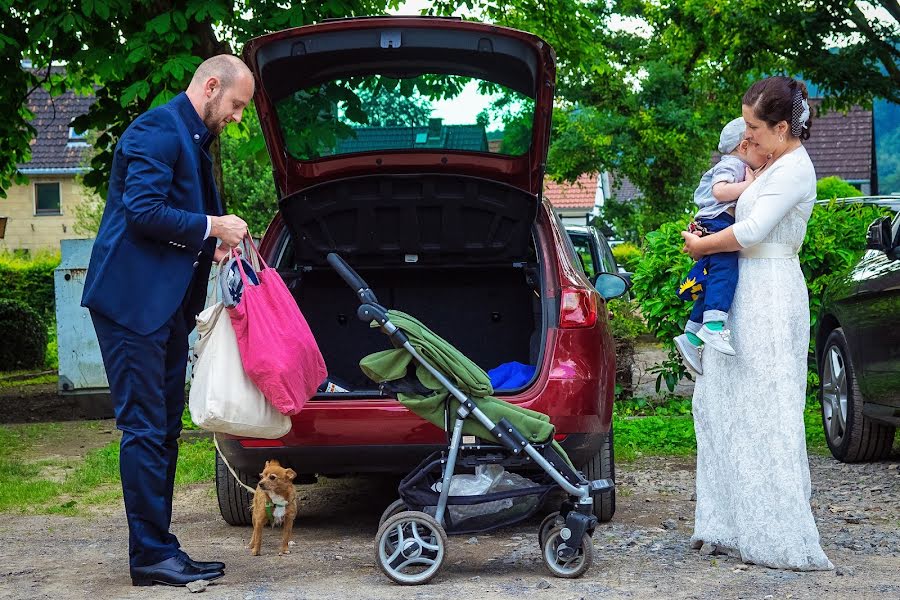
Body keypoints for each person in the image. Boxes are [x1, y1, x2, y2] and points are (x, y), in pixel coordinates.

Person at [81, 55, 255, 587]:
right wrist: (212, 225)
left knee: (165, 431)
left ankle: (159, 548)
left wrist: (217, 246)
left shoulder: (193, 141)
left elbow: (185, 227)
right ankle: (150, 555)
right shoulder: (156, 130)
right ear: (210, 87)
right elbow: (143, 211)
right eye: (236, 105)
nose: (239, 117)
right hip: (132, 306)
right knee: (144, 431)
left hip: (164, 310)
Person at [680, 76, 834, 571]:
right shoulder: (769, 162)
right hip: (745, 289)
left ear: (782, 127)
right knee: (725, 403)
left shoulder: (795, 170)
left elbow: (750, 230)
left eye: (752, 127)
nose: (745, 136)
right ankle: (729, 522)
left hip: (770, 289)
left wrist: (701, 246)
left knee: (767, 406)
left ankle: (778, 533)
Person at [674, 117, 767, 374]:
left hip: (715, 223)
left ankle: (691, 337)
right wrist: (750, 185)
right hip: (716, 224)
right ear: (743, 145)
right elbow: (719, 192)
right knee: (725, 272)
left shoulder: (736, 164)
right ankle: (714, 327)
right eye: (757, 145)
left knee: (712, 280)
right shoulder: (731, 165)